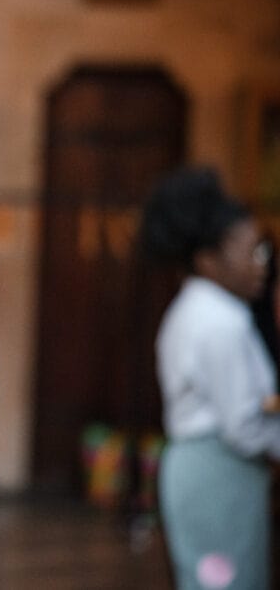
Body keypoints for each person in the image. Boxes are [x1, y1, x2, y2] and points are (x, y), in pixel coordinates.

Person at [138, 167, 280, 590]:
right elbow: (244, 424)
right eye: (250, 253)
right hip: (219, 473)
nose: (261, 267)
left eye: (264, 253)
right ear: (207, 259)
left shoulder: (197, 309)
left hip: (207, 471)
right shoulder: (221, 322)